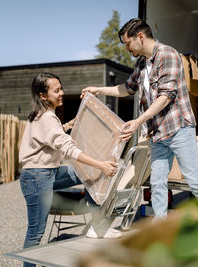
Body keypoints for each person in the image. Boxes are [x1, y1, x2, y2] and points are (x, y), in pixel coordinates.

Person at [81, 18, 198, 219]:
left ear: (140, 36)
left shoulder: (168, 54)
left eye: (127, 43)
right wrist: (98, 89)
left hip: (178, 128)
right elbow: (127, 88)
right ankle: (160, 226)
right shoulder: (141, 63)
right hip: (158, 133)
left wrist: (138, 121)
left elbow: (166, 96)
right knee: (157, 182)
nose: (126, 49)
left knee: (194, 179)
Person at [18, 72, 120, 266]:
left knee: (84, 172)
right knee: (35, 232)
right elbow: (68, 148)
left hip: (47, 173)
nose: (61, 93)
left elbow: (50, 136)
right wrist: (101, 165)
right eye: (56, 91)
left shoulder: (41, 116)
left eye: (61, 88)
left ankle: (98, 225)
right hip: (37, 178)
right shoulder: (47, 118)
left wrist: (69, 125)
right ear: (42, 95)